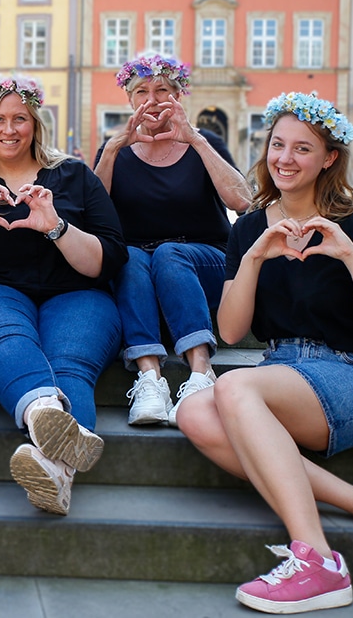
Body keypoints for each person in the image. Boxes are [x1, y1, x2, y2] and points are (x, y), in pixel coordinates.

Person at [177, 92, 353, 614]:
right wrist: (255, 257)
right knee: (193, 409)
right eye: (277, 145)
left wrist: (349, 255)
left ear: (329, 157)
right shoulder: (250, 229)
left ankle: (318, 560)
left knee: (233, 386)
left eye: (302, 149)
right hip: (285, 374)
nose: (284, 158)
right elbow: (232, 332)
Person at [0, 73, 127, 516]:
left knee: (70, 362)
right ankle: (42, 411)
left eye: (20, 118)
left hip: (77, 294)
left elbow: (109, 258)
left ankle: (54, 471)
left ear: (36, 123)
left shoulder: (73, 176)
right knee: (6, 334)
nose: (9, 129)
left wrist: (55, 226)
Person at [94, 54, 250, 427]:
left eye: (163, 89)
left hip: (205, 263)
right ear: (130, 100)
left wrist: (194, 139)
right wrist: (115, 149)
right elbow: (91, 215)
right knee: (129, 258)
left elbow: (243, 201)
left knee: (169, 253)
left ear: (178, 96)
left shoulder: (204, 142)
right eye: (141, 91)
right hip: (142, 269)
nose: (152, 98)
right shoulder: (115, 149)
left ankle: (200, 370)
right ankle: (150, 377)